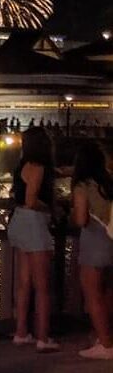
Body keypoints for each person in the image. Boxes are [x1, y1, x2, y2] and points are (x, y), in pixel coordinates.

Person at [7, 126, 59, 352]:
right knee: (42, 286)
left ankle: (21, 332)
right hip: (34, 223)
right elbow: (31, 201)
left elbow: (22, 199)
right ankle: (43, 337)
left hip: (18, 221)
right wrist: (50, 209)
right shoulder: (38, 167)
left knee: (24, 283)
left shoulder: (23, 166)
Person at [71, 141, 113, 359]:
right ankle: (105, 335)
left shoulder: (83, 186)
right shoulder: (108, 182)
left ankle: (106, 345)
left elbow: (81, 219)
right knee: (107, 292)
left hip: (94, 242)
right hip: (111, 240)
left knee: (92, 293)